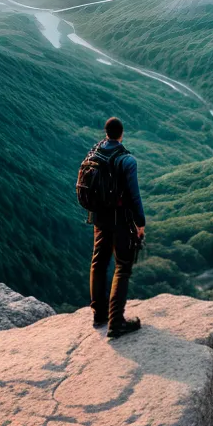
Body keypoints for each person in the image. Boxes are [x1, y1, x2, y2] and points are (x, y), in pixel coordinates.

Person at [89, 116, 146, 338]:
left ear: (106, 132)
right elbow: (134, 195)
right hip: (120, 220)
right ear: (121, 134)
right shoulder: (127, 160)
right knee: (122, 267)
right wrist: (140, 222)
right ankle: (116, 323)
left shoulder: (94, 153)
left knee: (99, 262)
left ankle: (99, 314)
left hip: (99, 218)